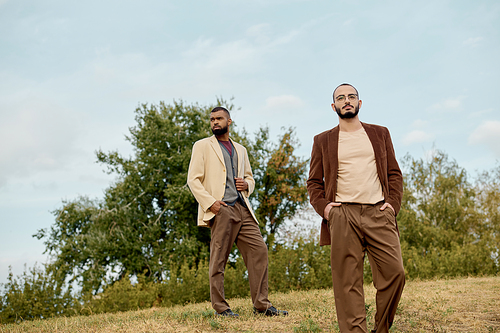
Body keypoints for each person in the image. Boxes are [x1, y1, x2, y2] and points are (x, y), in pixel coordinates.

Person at [306, 84, 405, 333]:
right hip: (343, 215)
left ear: (360, 103)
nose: (346, 100)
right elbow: (314, 182)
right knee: (347, 282)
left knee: (395, 274)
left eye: (351, 96)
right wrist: (327, 209)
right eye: (341, 98)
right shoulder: (323, 140)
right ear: (334, 106)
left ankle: (381, 329)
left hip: (378, 212)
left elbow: (394, 174)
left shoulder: (380, 133)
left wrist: (392, 205)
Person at [187, 106, 288, 318]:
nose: (215, 122)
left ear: (229, 121)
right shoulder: (202, 146)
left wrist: (246, 185)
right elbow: (193, 180)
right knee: (219, 259)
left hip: (243, 208)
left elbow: (250, 177)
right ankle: (221, 308)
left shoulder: (240, 149)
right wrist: (210, 203)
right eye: (212, 119)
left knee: (259, 250)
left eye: (219, 118)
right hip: (221, 208)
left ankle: (262, 305)